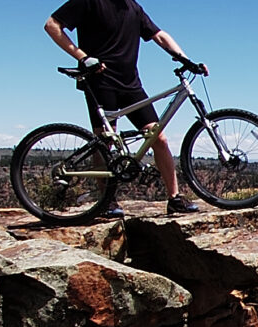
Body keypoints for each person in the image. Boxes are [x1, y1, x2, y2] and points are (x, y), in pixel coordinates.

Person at [45, 0, 201, 215]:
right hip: (100, 82)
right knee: (105, 141)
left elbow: (159, 35)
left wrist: (186, 60)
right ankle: (106, 201)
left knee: (158, 138)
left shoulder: (133, 7)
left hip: (131, 85)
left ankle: (174, 199)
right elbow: (52, 25)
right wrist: (83, 57)